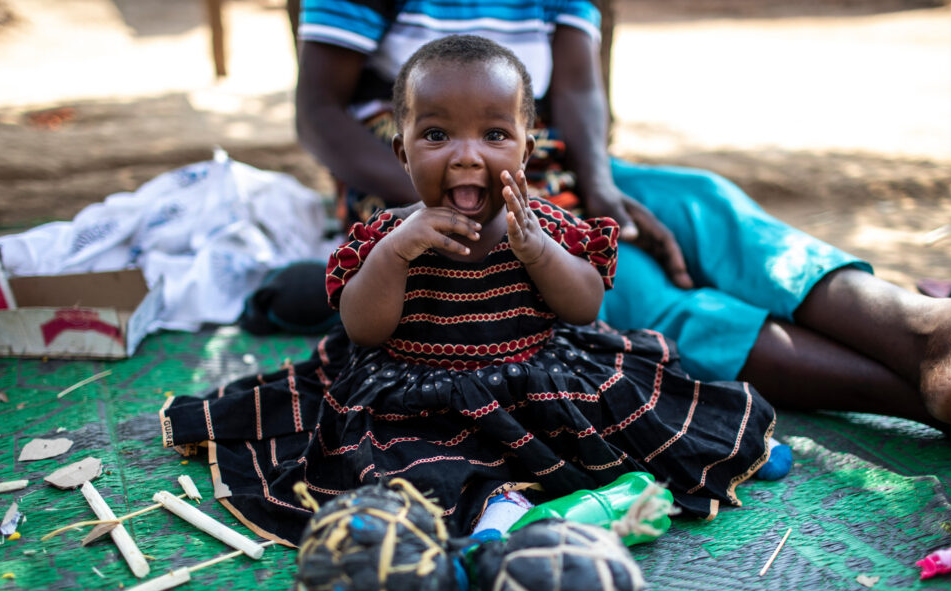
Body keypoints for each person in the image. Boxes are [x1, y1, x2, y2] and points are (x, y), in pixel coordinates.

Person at [161, 35, 777, 543]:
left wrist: (539, 251)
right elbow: (363, 329)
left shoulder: (547, 224)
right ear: (402, 153)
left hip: (541, 375)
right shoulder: (384, 235)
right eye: (436, 136)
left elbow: (584, 306)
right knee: (414, 463)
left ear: (527, 150)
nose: (466, 156)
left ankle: (714, 450)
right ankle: (494, 514)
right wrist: (395, 253)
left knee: (637, 408)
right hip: (419, 392)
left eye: (493, 135)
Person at [286, 0, 951, 441]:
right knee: (643, 292)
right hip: (414, 192)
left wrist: (600, 192)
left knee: (702, 203)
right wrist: (433, 200)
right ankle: (919, 394)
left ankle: (924, 332)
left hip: (549, 167)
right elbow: (320, 112)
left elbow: (583, 92)